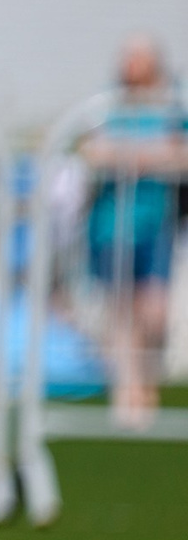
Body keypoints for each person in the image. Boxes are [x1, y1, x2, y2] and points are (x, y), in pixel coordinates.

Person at [80, 36, 184, 429]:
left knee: (153, 311)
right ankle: (127, 390)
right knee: (120, 310)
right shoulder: (107, 104)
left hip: (156, 222)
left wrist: (148, 155)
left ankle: (147, 380)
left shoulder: (173, 105)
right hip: (112, 225)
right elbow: (92, 150)